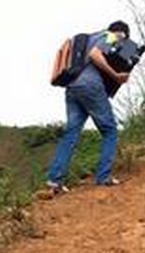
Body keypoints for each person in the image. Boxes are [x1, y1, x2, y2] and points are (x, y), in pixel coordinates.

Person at [46, 21, 131, 192]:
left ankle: (55, 180)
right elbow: (95, 54)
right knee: (110, 131)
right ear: (122, 33)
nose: (124, 43)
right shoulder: (111, 36)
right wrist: (115, 75)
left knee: (71, 132)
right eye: (125, 38)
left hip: (72, 87)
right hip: (90, 86)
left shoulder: (90, 37)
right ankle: (104, 177)